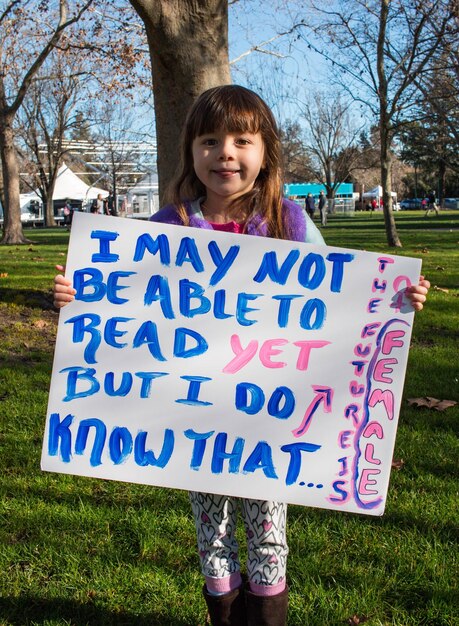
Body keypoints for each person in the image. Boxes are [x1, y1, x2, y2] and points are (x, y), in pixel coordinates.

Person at [53, 85, 430, 626]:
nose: (224, 153)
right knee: (214, 537)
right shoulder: (167, 228)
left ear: (265, 152)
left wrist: (395, 300)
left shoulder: (291, 224)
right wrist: (78, 295)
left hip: (270, 428)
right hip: (194, 421)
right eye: (210, 140)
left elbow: (343, 298)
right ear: (191, 151)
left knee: (269, 537)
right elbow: (123, 300)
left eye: (241, 140)